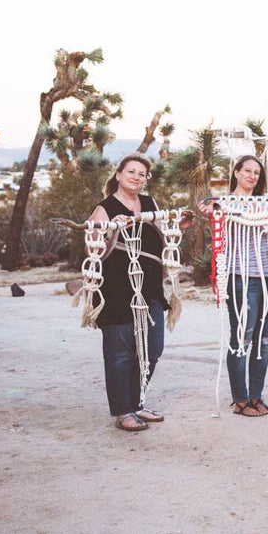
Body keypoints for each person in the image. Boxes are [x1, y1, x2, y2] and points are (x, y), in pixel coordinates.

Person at [88, 155, 189, 432]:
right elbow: (92, 250)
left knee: (152, 349)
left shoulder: (150, 204)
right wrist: (111, 230)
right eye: (131, 171)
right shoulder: (104, 208)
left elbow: (163, 233)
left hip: (151, 288)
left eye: (142, 174)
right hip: (117, 290)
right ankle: (123, 410)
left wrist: (176, 226)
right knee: (121, 352)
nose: (136, 177)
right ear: (118, 175)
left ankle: (138, 402)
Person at [198, 152, 268, 418]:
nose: (252, 176)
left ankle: (256, 395)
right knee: (242, 336)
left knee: (264, 339)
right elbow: (207, 212)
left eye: (256, 173)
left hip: (267, 275)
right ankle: (240, 399)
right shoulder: (223, 203)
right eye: (247, 170)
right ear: (236, 172)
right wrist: (211, 211)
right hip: (240, 276)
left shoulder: (267, 203)